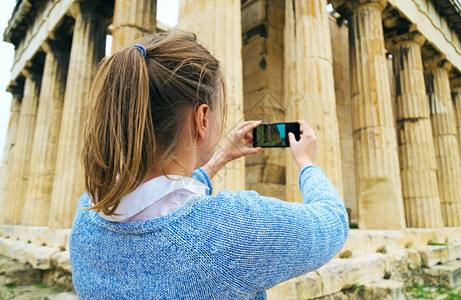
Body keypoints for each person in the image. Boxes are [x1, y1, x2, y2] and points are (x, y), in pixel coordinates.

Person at [69, 30, 349, 299]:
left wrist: (222, 156)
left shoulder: (87, 212)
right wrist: (306, 162)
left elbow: (162, 201)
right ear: (202, 118)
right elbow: (333, 222)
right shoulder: (234, 230)